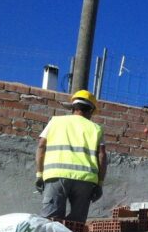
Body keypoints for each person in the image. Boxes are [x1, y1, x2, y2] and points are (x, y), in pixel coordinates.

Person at [35, 90, 107, 223]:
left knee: (51, 221)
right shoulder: (96, 128)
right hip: (85, 180)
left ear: (73, 107)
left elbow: (41, 146)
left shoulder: (55, 122)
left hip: (56, 176)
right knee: (76, 224)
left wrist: (39, 174)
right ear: (91, 111)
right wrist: (100, 184)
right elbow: (102, 156)